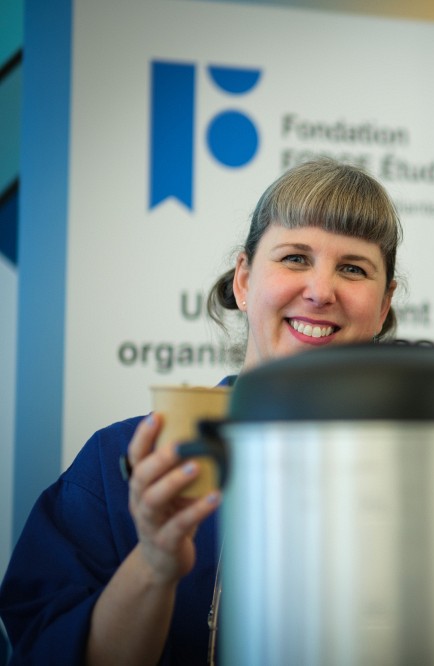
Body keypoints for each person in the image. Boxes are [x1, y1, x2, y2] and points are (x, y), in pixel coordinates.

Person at [0, 158, 401, 664]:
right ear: (243, 280)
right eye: (296, 258)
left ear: (383, 305)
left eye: (352, 268)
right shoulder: (120, 465)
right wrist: (153, 564)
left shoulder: (423, 477)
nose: (320, 291)